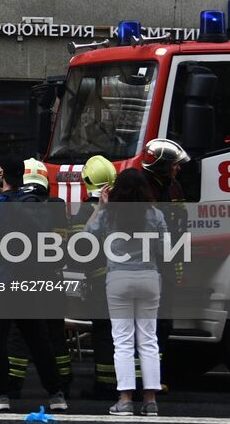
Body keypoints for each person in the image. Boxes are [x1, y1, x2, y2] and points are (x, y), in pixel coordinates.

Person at [0, 156, 68, 413]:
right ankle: (56, 394)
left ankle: (0, 395)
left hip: (0, 283)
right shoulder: (37, 204)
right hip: (28, 283)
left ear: (2, 172)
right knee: (39, 341)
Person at [85, 167, 167, 417]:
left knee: (122, 341)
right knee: (149, 339)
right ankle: (151, 400)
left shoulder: (110, 213)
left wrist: (101, 206)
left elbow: (88, 235)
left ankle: (125, 400)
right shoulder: (155, 214)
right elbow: (165, 249)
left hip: (119, 278)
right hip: (149, 277)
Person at [72, 155, 118, 397]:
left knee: (102, 333)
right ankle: (129, 383)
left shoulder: (86, 212)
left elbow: (79, 248)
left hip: (101, 283)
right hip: (124, 279)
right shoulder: (124, 209)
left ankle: (105, 383)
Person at [141, 137, 189, 369]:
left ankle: (156, 373)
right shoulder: (142, 189)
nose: (178, 168)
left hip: (165, 266)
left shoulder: (174, 187)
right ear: (161, 166)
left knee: (163, 322)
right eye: (174, 164)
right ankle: (146, 375)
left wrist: (178, 264)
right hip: (145, 266)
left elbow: (180, 226)